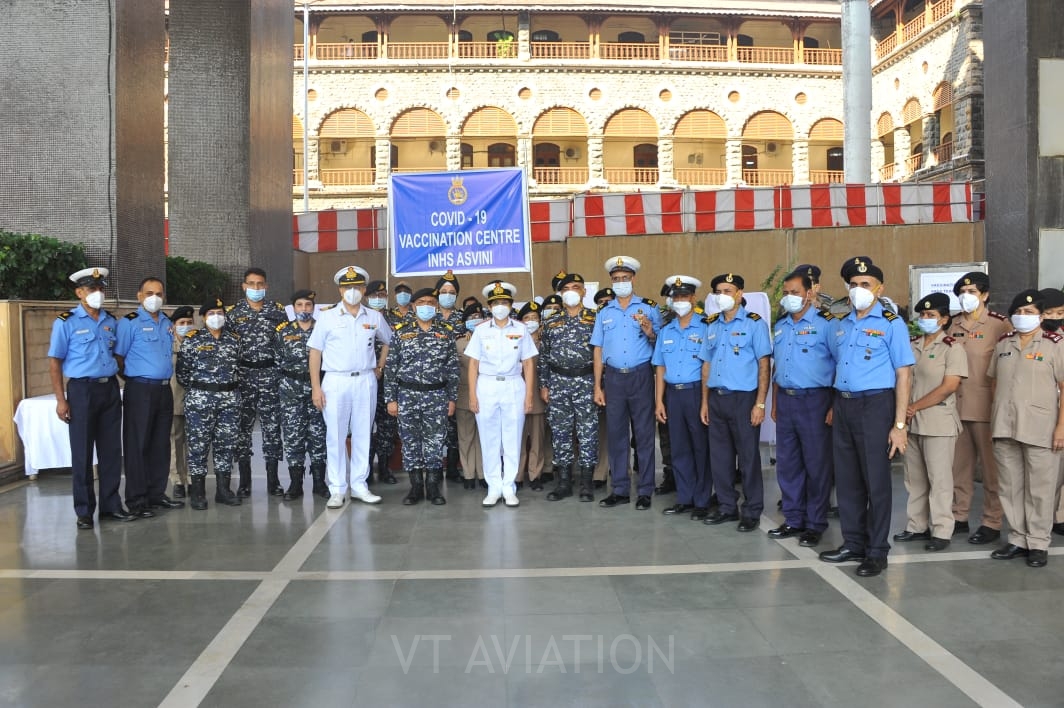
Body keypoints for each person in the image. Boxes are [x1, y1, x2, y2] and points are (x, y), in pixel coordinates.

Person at [819, 257, 914, 578]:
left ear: (879, 289)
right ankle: (853, 543)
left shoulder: (891, 323)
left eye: (865, 284)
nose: (858, 290)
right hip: (844, 405)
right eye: (853, 284)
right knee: (847, 480)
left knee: (876, 481)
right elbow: (838, 365)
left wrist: (899, 425)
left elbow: (903, 374)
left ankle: (876, 551)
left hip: (875, 406)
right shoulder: (842, 324)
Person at [48, 267, 133, 529]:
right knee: (82, 453)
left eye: (100, 289)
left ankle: (111, 505)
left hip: (109, 389)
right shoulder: (66, 322)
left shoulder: (110, 321)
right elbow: (55, 362)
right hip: (82, 391)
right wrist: (61, 400)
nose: (98, 293)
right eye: (91, 289)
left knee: (111, 451)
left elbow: (117, 355)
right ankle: (84, 511)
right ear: (79, 292)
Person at [987, 289, 1064, 568]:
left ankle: (1038, 542)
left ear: (1041, 317)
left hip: (1041, 428)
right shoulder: (1003, 344)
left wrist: (1061, 428)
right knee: (1010, 487)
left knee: (1040, 489)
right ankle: (1018, 539)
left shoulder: (1055, 344)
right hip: (1005, 426)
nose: (1023, 316)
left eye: (1029, 312)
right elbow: (994, 381)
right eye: (1018, 312)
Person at [309, 266, 391, 508]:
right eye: (347, 287)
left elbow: (388, 341)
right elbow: (315, 353)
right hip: (335, 380)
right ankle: (337, 488)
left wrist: (380, 366)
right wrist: (316, 387)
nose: (352, 291)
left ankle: (359, 485)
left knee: (363, 433)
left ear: (364, 290)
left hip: (365, 379)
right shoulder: (327, 317)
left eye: (356, 287)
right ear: (340, 290)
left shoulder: (374, 317)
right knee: (335, 435)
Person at [893, 293, 967, 551]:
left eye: (931, 315)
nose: (925, 319)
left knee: (939, 480)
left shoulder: (952, 348)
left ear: (944, 319)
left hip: (938, 422)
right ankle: (917, 526)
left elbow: (949, 386)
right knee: (914, 479)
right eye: (923, 315)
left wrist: (914, 407)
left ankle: (942, 530)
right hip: (911, 423)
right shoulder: (912, 344)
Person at [770, 267, 837, 546]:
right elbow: (777, 367)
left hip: (815, 401)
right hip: (786, 400)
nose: (790, 297)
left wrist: (834, 405)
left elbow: (841, 364)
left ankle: (814, 523)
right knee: (788, 464)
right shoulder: (781, 325)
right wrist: (775, 402)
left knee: (816, 465)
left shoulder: (827, 324)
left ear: (809, 293)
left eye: (795, 292)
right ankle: (793, 518)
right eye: (786, 293)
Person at [699, 273, 771, 531]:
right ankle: (727, 506)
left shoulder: (754, 324)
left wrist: (760, 403)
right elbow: (706, 365)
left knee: (748, 457)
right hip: (717, 398)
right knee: (720, 458)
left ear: (740, 294)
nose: (722, 296)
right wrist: (704, 402)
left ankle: (752, 510)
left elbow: (764, 365)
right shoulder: (712, 324)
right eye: (718, 292)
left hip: (744, 399)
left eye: (727, 291)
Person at [592, 256, 661, 510]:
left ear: (633, 279)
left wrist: (650, 332)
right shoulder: (604, 312)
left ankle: (645, 490)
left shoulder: (649, 308)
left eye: (625, 278)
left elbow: (660, 344)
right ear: (611, 281)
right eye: (616, 279)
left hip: (640, 375)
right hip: (613, 378)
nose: (621, 282)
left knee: (644, 434)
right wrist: (597, 385)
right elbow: (598, 349)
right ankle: (620, 489)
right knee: (616, 434)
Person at [949, 271, 1010, 544]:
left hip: (985, 407)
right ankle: (959, 516)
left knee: (990, 470)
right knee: (958, 468)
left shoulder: (999, 325)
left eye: (972, 291)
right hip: (955, 406)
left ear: (985, 295)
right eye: (962, 292)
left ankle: (991, 521)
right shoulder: (952, 324)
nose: (967, 296)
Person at [384, 287, 459, 505]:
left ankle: (433, 487)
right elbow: (391, 367)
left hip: (437, 395)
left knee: (435, 442)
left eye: (430, 302)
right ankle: (415, 487)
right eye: (421, 302)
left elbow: (453, 368)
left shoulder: (446, 332)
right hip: (407, 395)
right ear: (413, 306)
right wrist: (391, 399)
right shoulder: (401, 332)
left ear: (436, 306)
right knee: (410, 442)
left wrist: (452, 398)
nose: (426, 306)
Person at [466, 281, 538, 507]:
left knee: (512, 438)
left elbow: (528, 364)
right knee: (489, 439)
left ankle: (509, 487)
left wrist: (529, 396)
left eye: (504, 302)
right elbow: (473, 365)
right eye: (496, 303)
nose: (500, 307)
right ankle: (494, 487)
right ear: (489, 306)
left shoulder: (521, 329)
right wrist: (472, 396)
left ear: (511, 305)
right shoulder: (480, 330)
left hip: (513, 385)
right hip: (486, 385)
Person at [115, 276, 181, 516]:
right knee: (138, 444)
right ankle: (137, 500)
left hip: (164, 389)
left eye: (159, 294)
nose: (155, 298)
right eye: (150, 293)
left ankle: (156, 493)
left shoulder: (166, 322)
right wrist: (135, 379)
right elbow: (118, 357)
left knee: (160, 444)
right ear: (139, 296)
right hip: (140, 389)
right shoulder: (129, 322)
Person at [653, 275, 712, 519]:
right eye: (676, 297)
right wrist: (659, 400)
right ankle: (684, 498)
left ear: (693, 298)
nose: (680, 301)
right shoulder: (666, 330)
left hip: (696, 392)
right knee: (679, 448)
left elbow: (707, 366)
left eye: (684, 296)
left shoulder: (706, 326)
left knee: (700, 447)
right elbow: (660, 367)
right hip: (673, 395)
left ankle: (702, 500)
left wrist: (706, 401)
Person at [226, 267, 288, 497]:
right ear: (244, 286)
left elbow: (284, 343)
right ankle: (244, 481)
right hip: (244, 376)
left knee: (272, 428)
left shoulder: (277, 311)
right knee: (242, 430)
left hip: (271, 375)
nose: (255, 288)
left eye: (260, 284)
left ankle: (273, 481)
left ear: (266, 286)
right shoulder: (233, 314)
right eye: (251, 284)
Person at [177, 298, 243, 510]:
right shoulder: (192, 339)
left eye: (220, 313)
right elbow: (182, 373)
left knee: (226, 446)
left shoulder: (234, 339)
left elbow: (240, 369)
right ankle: (198, 493)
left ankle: (224, 491)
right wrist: (201, 390)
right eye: (211, 313)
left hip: (229, 401)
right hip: (200, 401)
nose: (216, 317)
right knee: (198, 446)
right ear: (203, 317)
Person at [539, 272, 599, 502]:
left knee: (587, 433)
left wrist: (600, 386)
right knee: (560, 432)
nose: (571, 292)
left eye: (576, 287)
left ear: (584, 291)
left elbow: (601, 355)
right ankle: (563, 482)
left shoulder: (595, 319)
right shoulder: (551, 321)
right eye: (566, 289)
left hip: (586, 381)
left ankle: (586, 483)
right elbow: (544, 356)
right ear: (560, 293)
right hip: (558, 382)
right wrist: (544, 384)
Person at [274, 289, 328, 501]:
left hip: (318, 389)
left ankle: (319, 483)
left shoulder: (323, 329)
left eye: (308, 305)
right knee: (293, 437)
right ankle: (295, 484)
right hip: (291, 391)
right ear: (293, 307)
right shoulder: (283, 331)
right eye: (300, 305)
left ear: (314, 307)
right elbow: (277, 361)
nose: (304, 308)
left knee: (318, 436)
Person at [365, 279, 399, 486]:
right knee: (366, 426)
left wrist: (381, 367)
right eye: (374, 296)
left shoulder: (396, 318)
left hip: (389, 380)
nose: (378, 299)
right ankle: (367, 468)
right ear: (367, 297)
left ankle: (385, 467)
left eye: (382, 295)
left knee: (387, 425)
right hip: (365, 379)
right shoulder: (361, 317)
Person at [516, 300, 549, 490]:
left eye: (534, 318)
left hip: (538, 397)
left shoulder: (545, 343)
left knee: (537, 439)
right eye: (527, 318)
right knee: (517, 440)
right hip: (516, 396)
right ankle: (517, 476)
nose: (530, 321)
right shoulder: (515, 341)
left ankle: (535, 475)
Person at [436, 270, 464, 483]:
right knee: (434, 425)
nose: (448, 295)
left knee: (454, 425)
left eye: (452, 292)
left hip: (457, 378)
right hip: (433, 379)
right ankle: (434, 469)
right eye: (444, 292)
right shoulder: (428, 315)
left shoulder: (463, 318)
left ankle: (453, 467)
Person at [1040, 288, 1064, 537]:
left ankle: (1061, 516)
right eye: (1049, 312)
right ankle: (1047, 517)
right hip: (1045, 411)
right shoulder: (1031, 338)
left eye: (1060, 313)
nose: (1055, 318)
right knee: (1050, 472)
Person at [457, 304, 486, 490]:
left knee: (484, 437)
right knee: (466, 436)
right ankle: (468, 474)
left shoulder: (490, 338)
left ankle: (483, 474)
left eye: (479, 316)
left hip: (487, 393)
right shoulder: (458, 343)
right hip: (464, 394)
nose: (476, 320)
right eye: (471, 317)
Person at [168, 306, 195, 499]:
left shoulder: (198, 343)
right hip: (174, 398)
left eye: (189, 323)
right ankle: (178, 480)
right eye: (181, 323)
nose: (186, 326)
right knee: (175, 441)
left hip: (196, 401)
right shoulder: (167, 344)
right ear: (173, 325)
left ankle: (194, 479)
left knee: (195, 442)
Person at [591, 287, 615, 487]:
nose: (605, 305)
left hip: (617, 379)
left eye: (609, 301)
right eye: (601, 302)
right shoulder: (592, 322)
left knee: (619, 430)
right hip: (595, 382)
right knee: (600, 430)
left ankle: (620, 470)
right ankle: (600, 472)